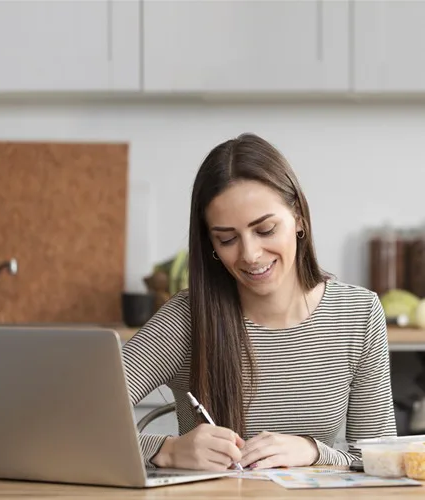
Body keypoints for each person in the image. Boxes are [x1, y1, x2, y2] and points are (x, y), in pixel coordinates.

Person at [122, 133, 396, 472]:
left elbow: (381, 461)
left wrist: (314, 451)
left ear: (298, 218)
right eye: (227, 239)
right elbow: (68, 420)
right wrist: (166, 449)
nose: (250, 255)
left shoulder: (358, 313)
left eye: (265, 230)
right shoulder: (186, 318)